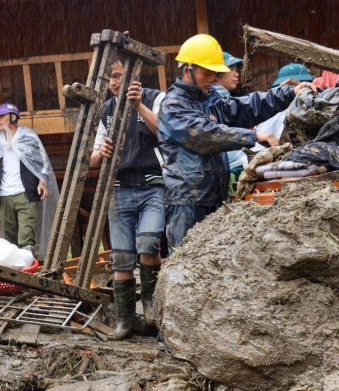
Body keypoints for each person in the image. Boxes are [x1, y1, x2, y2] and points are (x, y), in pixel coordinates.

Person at [157, 34, 317, 252]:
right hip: (187, 202)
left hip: (215, 197)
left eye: (214, 72)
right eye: (207, 72)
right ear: (188, 70)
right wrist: (251, 136)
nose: (212, 78)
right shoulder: (174, 106)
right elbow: (204, 136)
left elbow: (246, 106)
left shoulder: (211, 100)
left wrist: (289, 92)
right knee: (185, 264)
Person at [90, 58, 165, 340]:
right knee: (121, 257)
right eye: (109, 77)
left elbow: (165, 131)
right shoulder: (105, 111)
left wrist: (138, 106)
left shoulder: (156, 98)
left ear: (134, 76)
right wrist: (101, 153)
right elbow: (92, 158)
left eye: (118, 75)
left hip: (151, 185)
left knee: (148, 242)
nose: (113, 82)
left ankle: (150, 305)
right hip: (118, 188)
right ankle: (125, 321)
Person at [0, 103, 59, 259]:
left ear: (13, 117)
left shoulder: (28, 137)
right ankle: (14, 278)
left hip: (25, 195)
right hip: (4, 197)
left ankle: (28, 275)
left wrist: (42, 180)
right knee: (10, 243)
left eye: (1, 116)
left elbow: (42, 160)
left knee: (26, 241)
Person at [213, 52, 248, 199]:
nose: (236, 73)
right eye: (231, 69)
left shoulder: (221, 95)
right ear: (217, 74)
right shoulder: (218, 96)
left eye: (236, 69)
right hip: (230, 167)